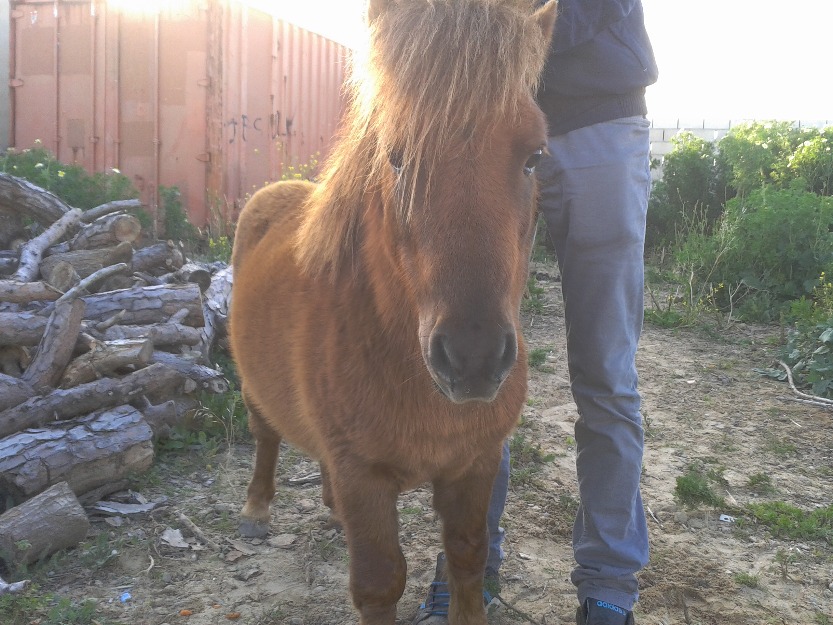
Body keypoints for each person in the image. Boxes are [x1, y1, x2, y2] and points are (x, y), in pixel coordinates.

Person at [413, 1, 658, 624]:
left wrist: (515, 40)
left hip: (598, 125)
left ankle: (608, 587)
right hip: (486, 127)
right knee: (476, 357)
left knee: (606, 374)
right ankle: (466, 568)